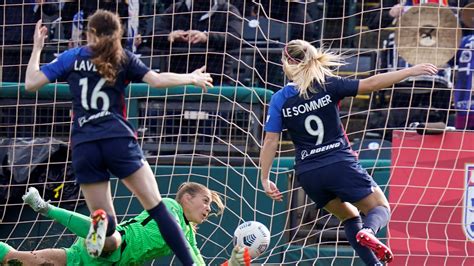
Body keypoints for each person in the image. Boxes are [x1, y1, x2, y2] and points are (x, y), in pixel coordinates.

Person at [25, 10, 213, 265]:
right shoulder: (123, 58)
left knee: (107, 221)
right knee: (158, 208)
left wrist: (37, 48)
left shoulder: (72, 57)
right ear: (118, 34)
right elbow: (157, 81)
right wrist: (191, 77)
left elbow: (31, 83)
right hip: (117, 140)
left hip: (84, 145)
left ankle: (101, 226)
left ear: (89, 33)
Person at [259, 39, 438, 265]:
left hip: (308, 173)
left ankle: (374, 263)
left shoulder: (279, 99)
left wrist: (265, 178)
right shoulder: (328, 84)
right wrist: (410, 71)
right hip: (338, 163)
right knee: (380, 207)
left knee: (349, 216)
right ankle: (370, 232)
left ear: (286, 62)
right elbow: (372, 83)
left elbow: (270, 141)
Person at [0, 183, 250, 266]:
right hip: (118, 244)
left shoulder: (188, 235)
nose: (208, 209)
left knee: (23, 260)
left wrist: (233, 262)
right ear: (186, 198)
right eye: (205, 201)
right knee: (107, 241)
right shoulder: (170, 207)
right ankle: (47, 208)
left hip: (104, 261)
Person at [148, 0, 242, 85]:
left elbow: (236, 38)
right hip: (178, 78)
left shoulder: (228, 10)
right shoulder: (175, 9)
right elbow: (152, 37)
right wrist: (169, 36)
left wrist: (206, 37)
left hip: (216, 79)